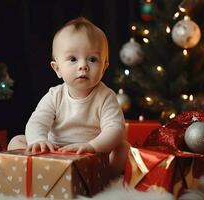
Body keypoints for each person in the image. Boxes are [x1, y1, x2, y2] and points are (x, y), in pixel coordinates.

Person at [8, 17, 129, 177]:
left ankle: (103, 176)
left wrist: (92, 146)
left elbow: (115, 129)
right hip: (54, 151)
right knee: (16, 141)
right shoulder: (54, 96)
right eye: (73, 59)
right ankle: (40, 171)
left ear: (104, 68)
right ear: (57, 68)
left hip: (90, 154)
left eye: (92, 59)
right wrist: (38, 140)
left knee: (123, 148)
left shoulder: (105, 97)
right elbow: (37, 121)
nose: (83, 66)